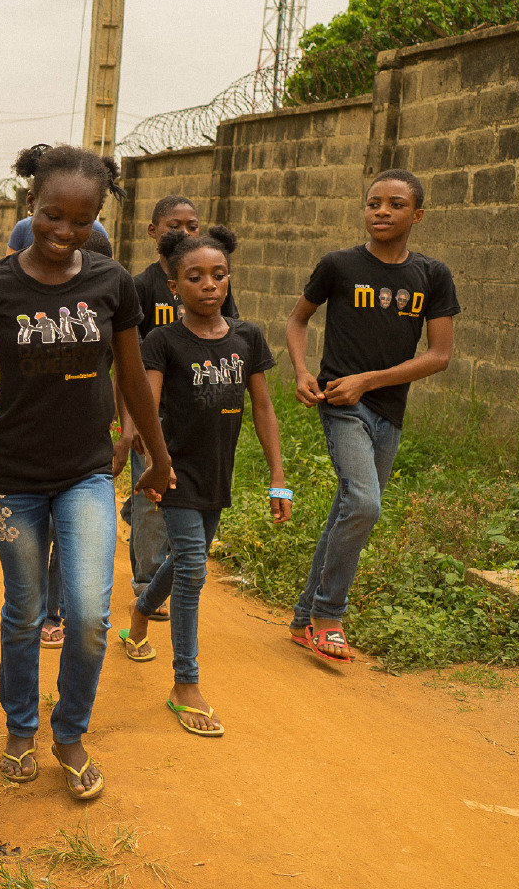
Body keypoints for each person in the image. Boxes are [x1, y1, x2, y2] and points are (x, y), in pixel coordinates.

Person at [0, 142, 172, 802]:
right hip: (13, 476)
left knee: (91, 614)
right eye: (51, 216)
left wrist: (156, 453)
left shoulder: (113, 282)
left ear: (99, 218)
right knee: (26, 610)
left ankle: (69, 733)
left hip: (86, 472)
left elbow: (131, 375)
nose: (65, 232)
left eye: (81, 220)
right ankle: (19, 728)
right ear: (30, 206)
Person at [117, 225, 290, 737]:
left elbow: (263, 406)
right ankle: (184, 683)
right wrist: (152, 458)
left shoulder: (247, 337)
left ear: (229, 280)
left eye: (218, 276)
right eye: (195, 277)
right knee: (193, 565)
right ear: (174, 286)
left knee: (183, 559)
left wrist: (278, 476)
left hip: (218, 471)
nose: (209, 285)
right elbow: (146, 405)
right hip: (175, 470)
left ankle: (141, 608)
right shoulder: (162, 340)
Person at [285, 168, 458, 662]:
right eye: (373, 203)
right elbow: (299, 319)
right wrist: (301, 371)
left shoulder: (432, 275)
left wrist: (371, 379)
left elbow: (439, 355)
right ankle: (328, 615)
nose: (381, 211)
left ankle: (302, 619)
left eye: (396, 204)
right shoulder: (338, 265)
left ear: (417, 215)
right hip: (341, 403)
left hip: (388, 408)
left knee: (349, 509)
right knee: (364, 504)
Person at [118, 196, 240, 613]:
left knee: (167, 504)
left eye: (192, 225)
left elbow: (231, 337)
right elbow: (127, 358)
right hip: (157, 412)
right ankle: (147, 583)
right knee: (153, 501)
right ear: (153, 232)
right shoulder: (140, 286)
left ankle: (140, 527)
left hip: (200, 410)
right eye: (174, 226)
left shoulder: (213, 282)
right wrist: (131, 422)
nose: (184, 233)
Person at [6, 211, 110, 257]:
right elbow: (10, 268)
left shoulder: (96, 229)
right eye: (52, 216)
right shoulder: (23, 228)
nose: (64, 234)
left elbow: (109, 269)